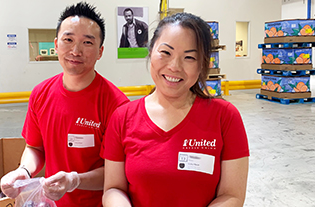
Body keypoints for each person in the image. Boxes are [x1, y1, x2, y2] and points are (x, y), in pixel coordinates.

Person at [103, 13, 249, 207]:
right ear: (150, 51)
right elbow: (113, 189)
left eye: (189, 57)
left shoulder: (225, 117)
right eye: (166, 52)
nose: (174, 66)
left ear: (202, 64)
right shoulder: (123, 118)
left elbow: (232, 195)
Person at [0, 2, 129, 207]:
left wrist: (74, 181)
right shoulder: (40, 94)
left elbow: (118, 174)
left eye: (87, 43)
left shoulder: (117, 106)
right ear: (56, 44)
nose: (76, 51)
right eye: (68, 40)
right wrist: (23, 171)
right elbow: (35, 147)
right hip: (51, 203)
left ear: (100, 51)